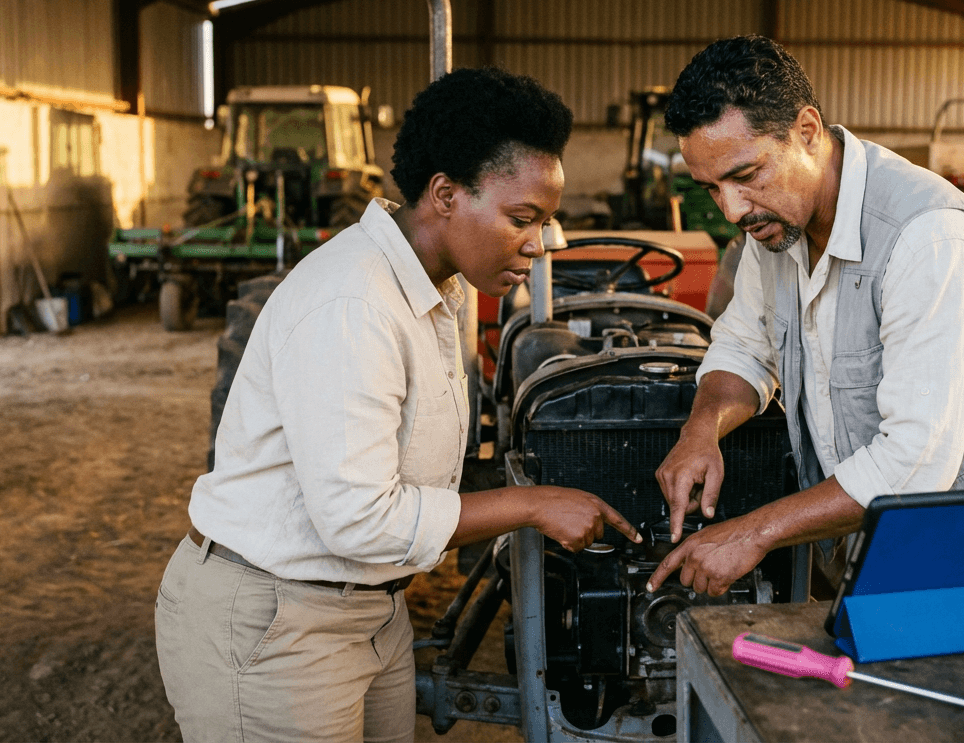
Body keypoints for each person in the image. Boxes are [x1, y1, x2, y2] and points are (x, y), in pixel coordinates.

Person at [154, 67, 641, 743]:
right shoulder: (353, 302)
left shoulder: (439, 288)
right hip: (277, 617)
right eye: (522, 219)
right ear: (445, 195)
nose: (538, 246)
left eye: (546, 222)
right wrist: (531, 504)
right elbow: (357, 517)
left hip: (371, 607)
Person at [646, 36, 964, 597]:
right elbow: (743, 347)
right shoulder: (777, 228)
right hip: (889, 550)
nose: (732, 210)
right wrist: (701, 429)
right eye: (712, 189)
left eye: (747, 175)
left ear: (807, 131)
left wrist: (754, 533)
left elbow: (913, 464)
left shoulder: (930, 237)